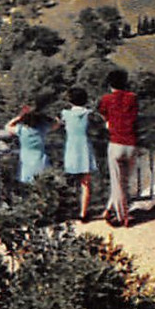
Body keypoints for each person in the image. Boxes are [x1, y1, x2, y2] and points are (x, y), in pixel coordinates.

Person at [97, 69, 139, 227]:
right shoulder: (133, 98)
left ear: (109, 83)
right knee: (123, 183)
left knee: (117, 183)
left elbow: (103, 114)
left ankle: (123, 217)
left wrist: (108, 121)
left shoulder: (106, 99)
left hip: (115, 144)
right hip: (131, 144)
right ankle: (108, 210)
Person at [59, 86, 100, 222]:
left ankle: (66, 210)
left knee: (68, 180)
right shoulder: (88, 114)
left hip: (71, 148)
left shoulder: (65, 114)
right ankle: (83, 213)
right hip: (84, 148)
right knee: (85, 183)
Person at [4, 103, 51, 184]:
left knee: (26, 187)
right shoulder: (42, 129)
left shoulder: (21, 130)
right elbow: (56, 124)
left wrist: (18, 117)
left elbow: (7, 127)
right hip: (41, 161)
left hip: (26, 163)